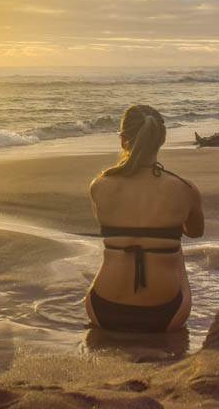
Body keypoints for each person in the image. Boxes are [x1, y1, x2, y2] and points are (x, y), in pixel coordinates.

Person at [85, 105, 204, 333]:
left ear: (122, 140)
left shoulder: (99, 186)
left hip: (102, 309)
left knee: (120, 246)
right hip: (167, 314)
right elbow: (196, 232)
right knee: (174, 248)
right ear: (162, 139)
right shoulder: (184, 188)